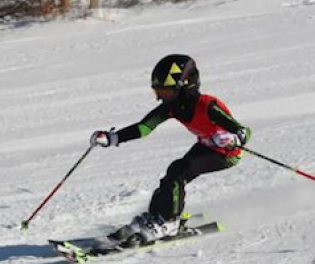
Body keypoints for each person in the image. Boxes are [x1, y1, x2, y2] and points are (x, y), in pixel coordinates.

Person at [90, 54, 251, 245]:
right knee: (170, 179)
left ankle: (169, 222)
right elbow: (144, 127)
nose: (160, 97)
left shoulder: (207, 105)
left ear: (184, 86)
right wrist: (112, 138)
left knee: (177, 172)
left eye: (165, 92)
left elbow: (244, 131)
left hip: (226, 154)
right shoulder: (172, 107)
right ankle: (156, 217)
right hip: (205, 146)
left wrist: (233, 138)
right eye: (158, 91)